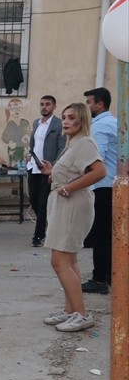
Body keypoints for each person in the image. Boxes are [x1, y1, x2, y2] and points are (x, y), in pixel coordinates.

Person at [41, 102, 106, 332]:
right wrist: (53, 173)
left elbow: (100, 171)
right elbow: (74, 171)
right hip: (65, 204)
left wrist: (69, 187)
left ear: (82, 120)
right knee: (69, 261)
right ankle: (71, 310)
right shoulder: (73, 144)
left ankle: (82, 314)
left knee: (59, 261)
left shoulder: (85, 142)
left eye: (71, 117)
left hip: (72, 205)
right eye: (64, 117)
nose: (66, 121)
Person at [81, 87, 116, 296]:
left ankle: (100, 278)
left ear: (100, 104)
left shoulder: (100, 127)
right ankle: (111, 275)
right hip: (112, 185)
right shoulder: (114, 123)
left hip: (103, 186)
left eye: (89, 102)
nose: (88, 107)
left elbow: (96, 157)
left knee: (101, 235)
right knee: (110, 234)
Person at [26, 95, 63, 248]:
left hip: (47, 168)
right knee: (33, 199)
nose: (44, 107)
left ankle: (38, 235)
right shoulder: (36, 123)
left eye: (48, 104)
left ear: (54, 106)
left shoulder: (58, 124)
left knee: (43, 203)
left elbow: (61, 147)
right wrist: (29, 155)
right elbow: (33, 144)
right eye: (42, 104)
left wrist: (55, 166)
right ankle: (46, 223)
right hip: (33, 167)